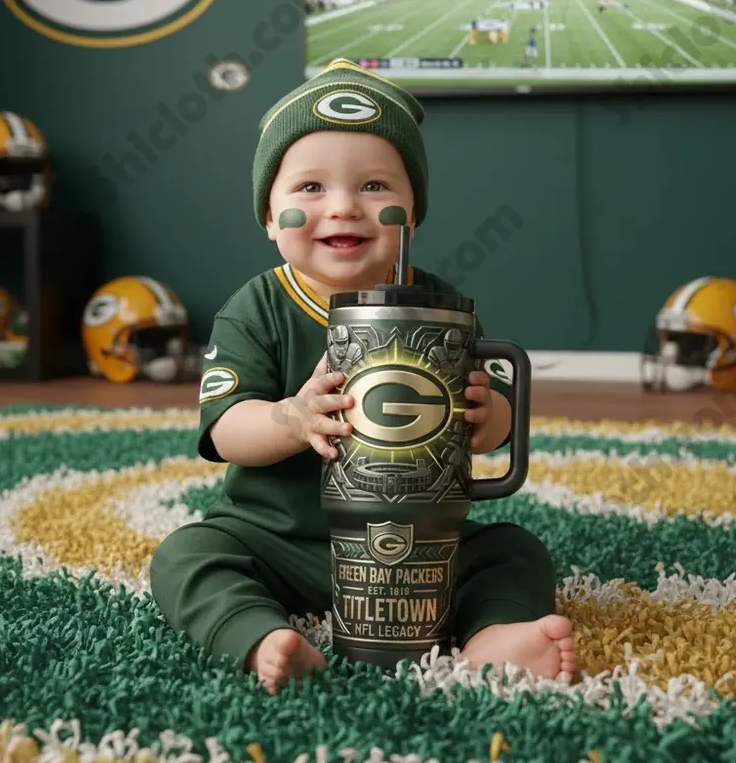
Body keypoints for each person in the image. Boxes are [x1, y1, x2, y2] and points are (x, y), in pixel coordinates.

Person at [150, 58, 574, 693]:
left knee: (515, 550)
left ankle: (491, 639)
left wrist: (490, 419)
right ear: (269, 217)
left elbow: (486, 425)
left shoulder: (436, 304)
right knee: (185, 555)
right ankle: (260, 635)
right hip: (278, 540)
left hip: (419, 547)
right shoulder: (256, 308)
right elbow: (226, 431)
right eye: (310, 189)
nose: (344, 207)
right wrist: (289, 417)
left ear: (413, 210)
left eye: (376, 187)